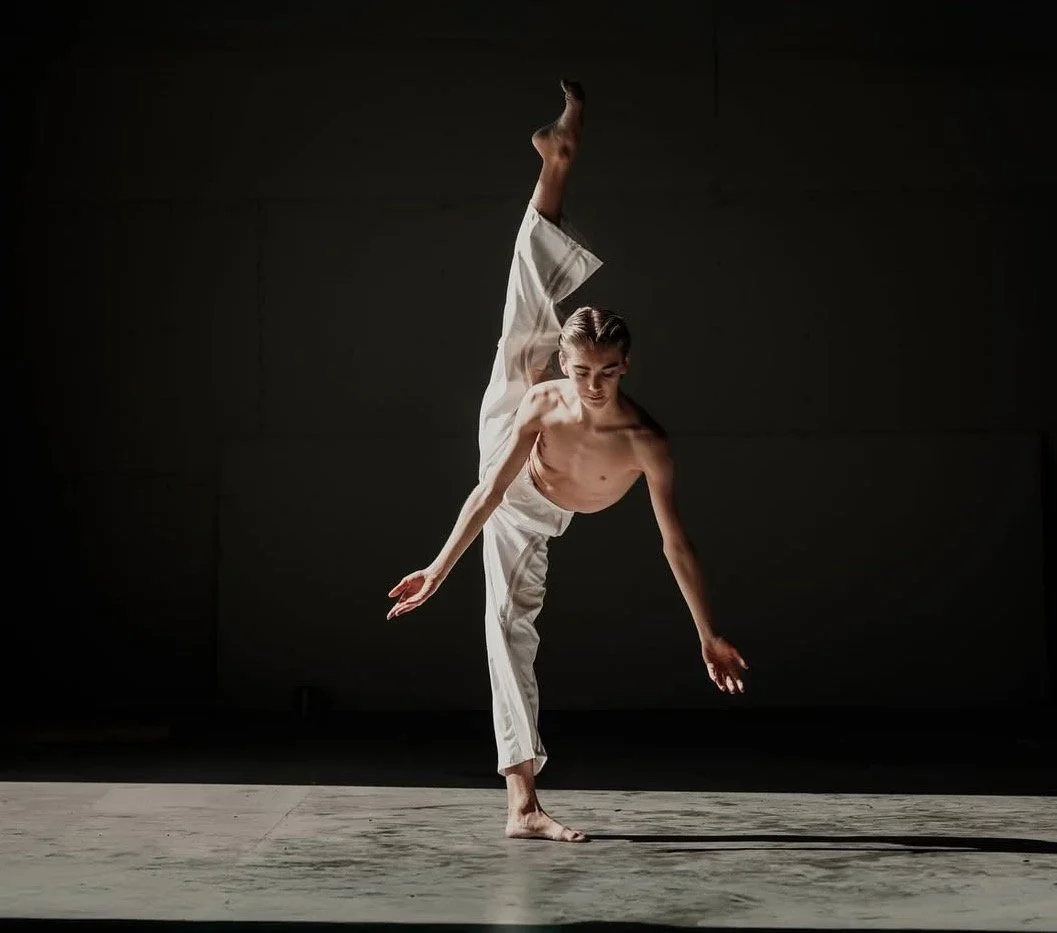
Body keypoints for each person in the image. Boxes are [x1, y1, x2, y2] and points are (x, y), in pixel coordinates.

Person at [387, 79, 748, 843]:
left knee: (524, 294)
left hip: (548, 496)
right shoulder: (548, 397)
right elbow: (490, 488)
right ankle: (522, 804)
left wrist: (706, 633)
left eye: (605, 373)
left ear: (625, 366)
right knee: (506, 623)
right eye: (579, 370)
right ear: (567, 363)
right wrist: (439, 567)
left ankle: (555, 158)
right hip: (517, 474)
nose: (590, 386)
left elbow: (673, 542)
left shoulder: (645, 441)